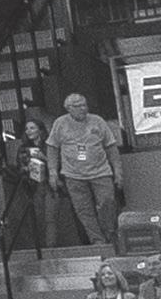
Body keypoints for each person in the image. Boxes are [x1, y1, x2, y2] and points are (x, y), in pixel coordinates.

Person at [47, 91, 124, 247]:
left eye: (84, 105)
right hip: (73, 175)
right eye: (78, 106)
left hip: (101, 172)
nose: (83, 108)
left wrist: (118, 171)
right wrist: (52, 172)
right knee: (83, 210)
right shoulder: (60, 123)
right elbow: (52, 148)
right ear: (68, 108)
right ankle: (97, 240)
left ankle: (110, 234)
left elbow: (111, 147)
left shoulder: (97, 121)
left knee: (107, 203)